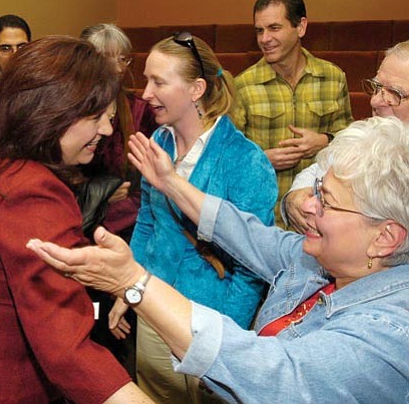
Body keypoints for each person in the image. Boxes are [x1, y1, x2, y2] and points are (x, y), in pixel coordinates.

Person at [28, 115, 409, 403]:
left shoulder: (387, 332)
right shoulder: (328, 263)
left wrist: (134, 283)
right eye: (316, 191)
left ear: (385, 237)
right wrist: (172, 184)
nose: (307, 206)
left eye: (326, 201)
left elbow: (276, 375)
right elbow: (249, 235)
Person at [0, 36, 152, 404]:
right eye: (95, 116)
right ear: (52, 113)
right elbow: (67, 350)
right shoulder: (32, 192)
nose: (106, 130)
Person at [108, 32, 276, 403]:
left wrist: (224, 340)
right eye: (147, 79)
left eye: (159, 82)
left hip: (212, 324)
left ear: (197, 89)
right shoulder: (159, 145)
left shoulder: (245, 161)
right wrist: (130, 289)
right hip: (155, 313)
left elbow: (252, 268)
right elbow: (148, 224)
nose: (146, 93)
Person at [231, 0, 353, 228]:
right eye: (259, 31)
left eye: (274, 28)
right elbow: (227, 159)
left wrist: (325, 141)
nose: (265, 39)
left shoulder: (332, 77)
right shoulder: (243, 86)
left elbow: (351, 143)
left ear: (301, 27)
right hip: (265, 220)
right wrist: (261, 160)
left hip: (320, 218)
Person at [79, 23, 157, 379]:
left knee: (128, 318)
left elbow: (155, 171)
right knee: (90, 316)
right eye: (105, 58)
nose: (115, 66)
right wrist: (105, 190)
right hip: (87, 226)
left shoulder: (140, 109)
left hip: (132, 227)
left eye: (122, 58)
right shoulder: (74, 108)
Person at [283, 39, 409, 232]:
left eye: (394, 94)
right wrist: (295, 196)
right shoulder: (369, 134)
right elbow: (319, 169)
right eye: (377, 87)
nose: (375, 101)